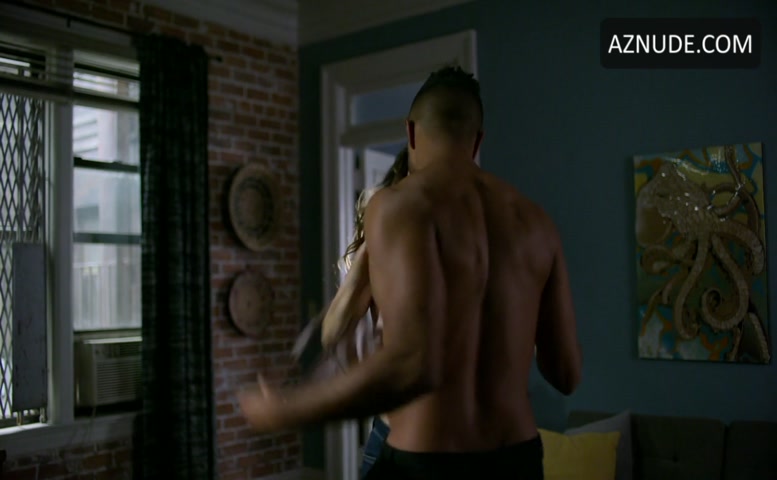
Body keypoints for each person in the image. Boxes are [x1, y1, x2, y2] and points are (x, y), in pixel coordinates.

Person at [238, 66, 582, 479]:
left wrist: (287, 411)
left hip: (428, 461)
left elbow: (415, 363)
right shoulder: (538, 223)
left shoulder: (399, 205)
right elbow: (566, 373)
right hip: (517, 460)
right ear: (477, 141)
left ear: (411, 132)